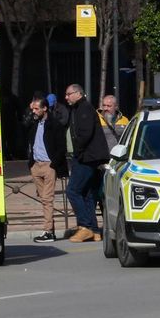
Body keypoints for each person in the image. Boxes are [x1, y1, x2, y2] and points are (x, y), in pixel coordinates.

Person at [61, 83, 110, 242]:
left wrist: (78, 152)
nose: (66, 97)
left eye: (68, 94)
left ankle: (85, 226)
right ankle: (94, 231)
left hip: (87, 158)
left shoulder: (84, 108)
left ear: (78, 93)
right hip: (90, 157)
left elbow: (85, 134)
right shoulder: (78, 109)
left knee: (73, 191)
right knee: (88, 194)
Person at [24, 94, 70, 243]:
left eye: (36, 109)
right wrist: (31, 164)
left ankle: (48, 231)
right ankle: (50, 230)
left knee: (47, 199)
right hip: (36, 165)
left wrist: (53, 164)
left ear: (45, 108)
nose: (34, 111)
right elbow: (24, 128)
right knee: (43, 199)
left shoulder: (55, 124)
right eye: (33, 109)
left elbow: (61, 147)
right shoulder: (34, 123)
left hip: (49, 165)